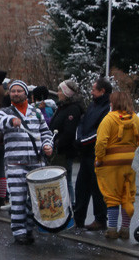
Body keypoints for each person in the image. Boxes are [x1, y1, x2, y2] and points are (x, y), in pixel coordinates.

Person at [0, 79, 53, 244]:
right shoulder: (5, 111)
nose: (16, 93)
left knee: (33, 200)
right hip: (15, 164)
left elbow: (46, 132)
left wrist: (48, 145)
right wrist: (10, 122)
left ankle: (29, 228)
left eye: (19, 91)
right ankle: (19, 231)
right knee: (18, 200)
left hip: (36, 163)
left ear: (26, 93)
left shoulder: (36, 112)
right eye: (13, 91)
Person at [94, 90, 139, 240]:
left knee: (112, 196)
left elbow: (101, 142)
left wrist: (99, 159)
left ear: (114, 102)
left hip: (111, 164)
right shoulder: (135, 118)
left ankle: (112, 229)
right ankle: (125, 229)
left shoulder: (109, 119)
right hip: (131, 163)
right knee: (128, 195)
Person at [74, 77, 112, 231]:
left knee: (97, 189)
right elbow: (82, 123)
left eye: (94, 89)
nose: (91, 92)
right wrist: (79, 138)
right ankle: (79, 218)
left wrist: (83, 141)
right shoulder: (92, 105)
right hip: (86, 153)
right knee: (81, 187)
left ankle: (100, 219)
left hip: (97, 154)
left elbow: (101, 132)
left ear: (102, 91)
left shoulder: (108, 108)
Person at [49, 79, 83, 204]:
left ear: (66, 93)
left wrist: (57, 144)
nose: (57, 93)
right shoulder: (62, 107)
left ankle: (69, 205)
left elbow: (69, 132)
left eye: (59, 91)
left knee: (65, 180)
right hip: (58, 149)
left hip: (64, 151)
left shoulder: (73, 109)